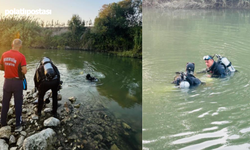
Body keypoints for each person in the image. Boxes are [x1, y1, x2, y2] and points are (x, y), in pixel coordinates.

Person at [0, 39, 27, 132]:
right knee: (18, 103)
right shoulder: (21, 56)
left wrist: (9, 69)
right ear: (20, 46)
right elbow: (24, 70)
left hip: (7, 82)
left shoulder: (4, 54)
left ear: (12, 44)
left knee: (5, 102)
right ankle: (18, 124)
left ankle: (3, 122)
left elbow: (1, 66)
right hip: (17, 82)